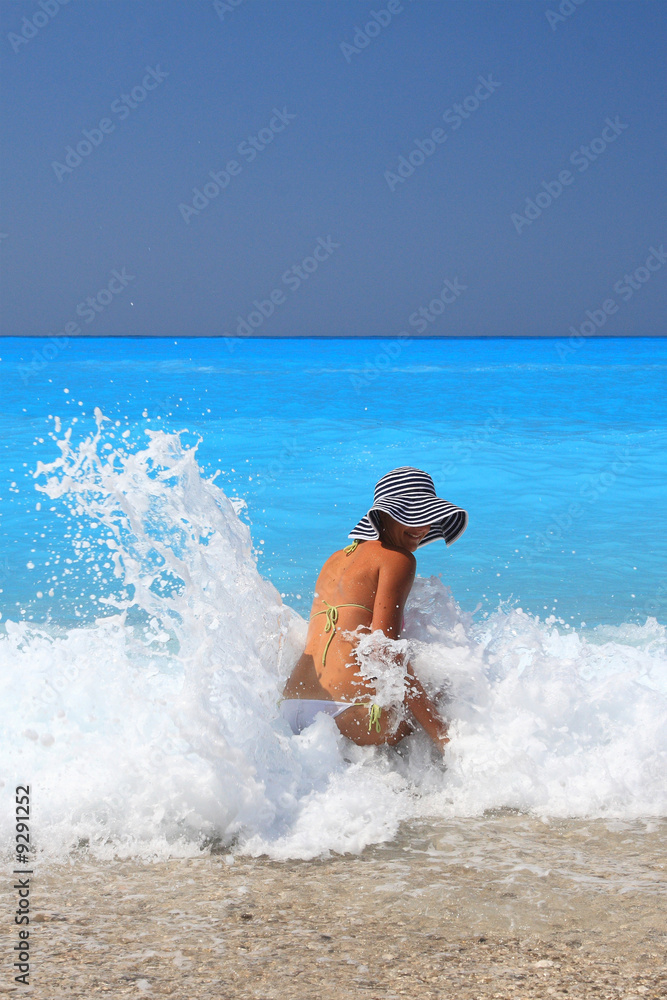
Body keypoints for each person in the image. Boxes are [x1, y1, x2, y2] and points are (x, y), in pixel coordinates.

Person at [280, 467, 468, 753]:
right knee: (446, 693)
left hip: (292, 707)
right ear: (383, 514)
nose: (422, 527)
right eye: (411, 515)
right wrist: (442, 734)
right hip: (352, 713)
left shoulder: (334, 559)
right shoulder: (398, 559)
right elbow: (384, 650)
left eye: (427, 516)